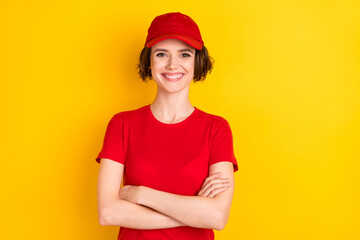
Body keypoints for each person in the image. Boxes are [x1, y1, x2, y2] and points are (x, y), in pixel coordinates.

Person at [95, 12, 239, 240]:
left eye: (184, 54)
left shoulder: (217, 129)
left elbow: (217, 217)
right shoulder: (121, 125)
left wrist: (141, 194)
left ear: (197, 61)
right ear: (149, 61)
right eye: (162, 54)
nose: (173, 65)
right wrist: (194, 211)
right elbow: (108, 213)